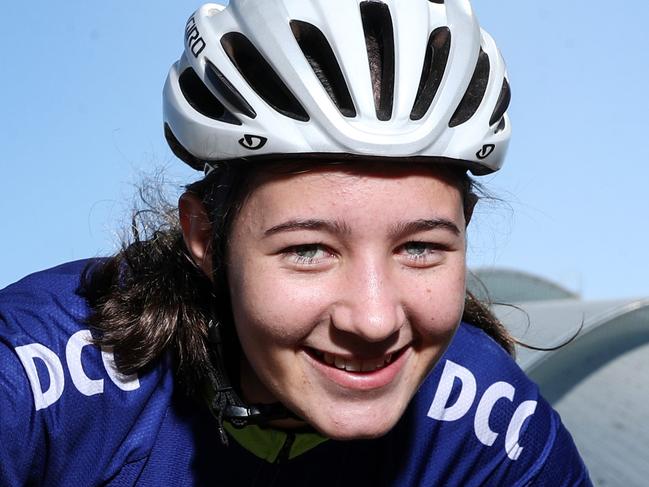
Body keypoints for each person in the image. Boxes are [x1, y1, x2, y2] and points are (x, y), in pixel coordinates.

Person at [0, 0, 592, 485]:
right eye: (308, 250)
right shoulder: (36, 376)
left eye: (420, 248)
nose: (374, 318)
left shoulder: (493, 425)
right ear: (207, 238)